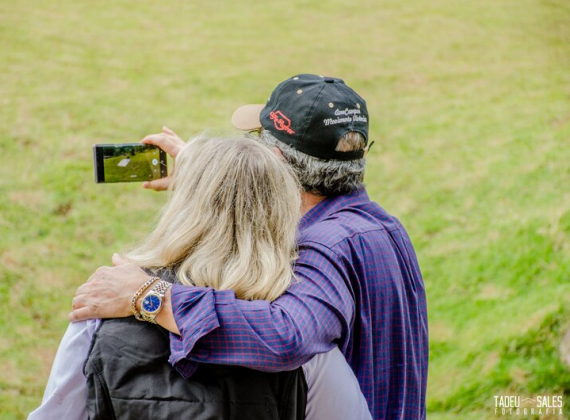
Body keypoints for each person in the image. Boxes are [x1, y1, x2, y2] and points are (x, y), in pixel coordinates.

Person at [70, 74, 429, 420]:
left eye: (257, 138)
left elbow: (284, 335)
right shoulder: (381, 227)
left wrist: (148, 295)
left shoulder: (322, 247)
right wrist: (207, 175)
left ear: (275, 161)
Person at [28, 134, 372, 420]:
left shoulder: (101, 311)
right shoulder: (305, 344)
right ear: (279, 213)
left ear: (183, 209)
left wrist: (204, 175)